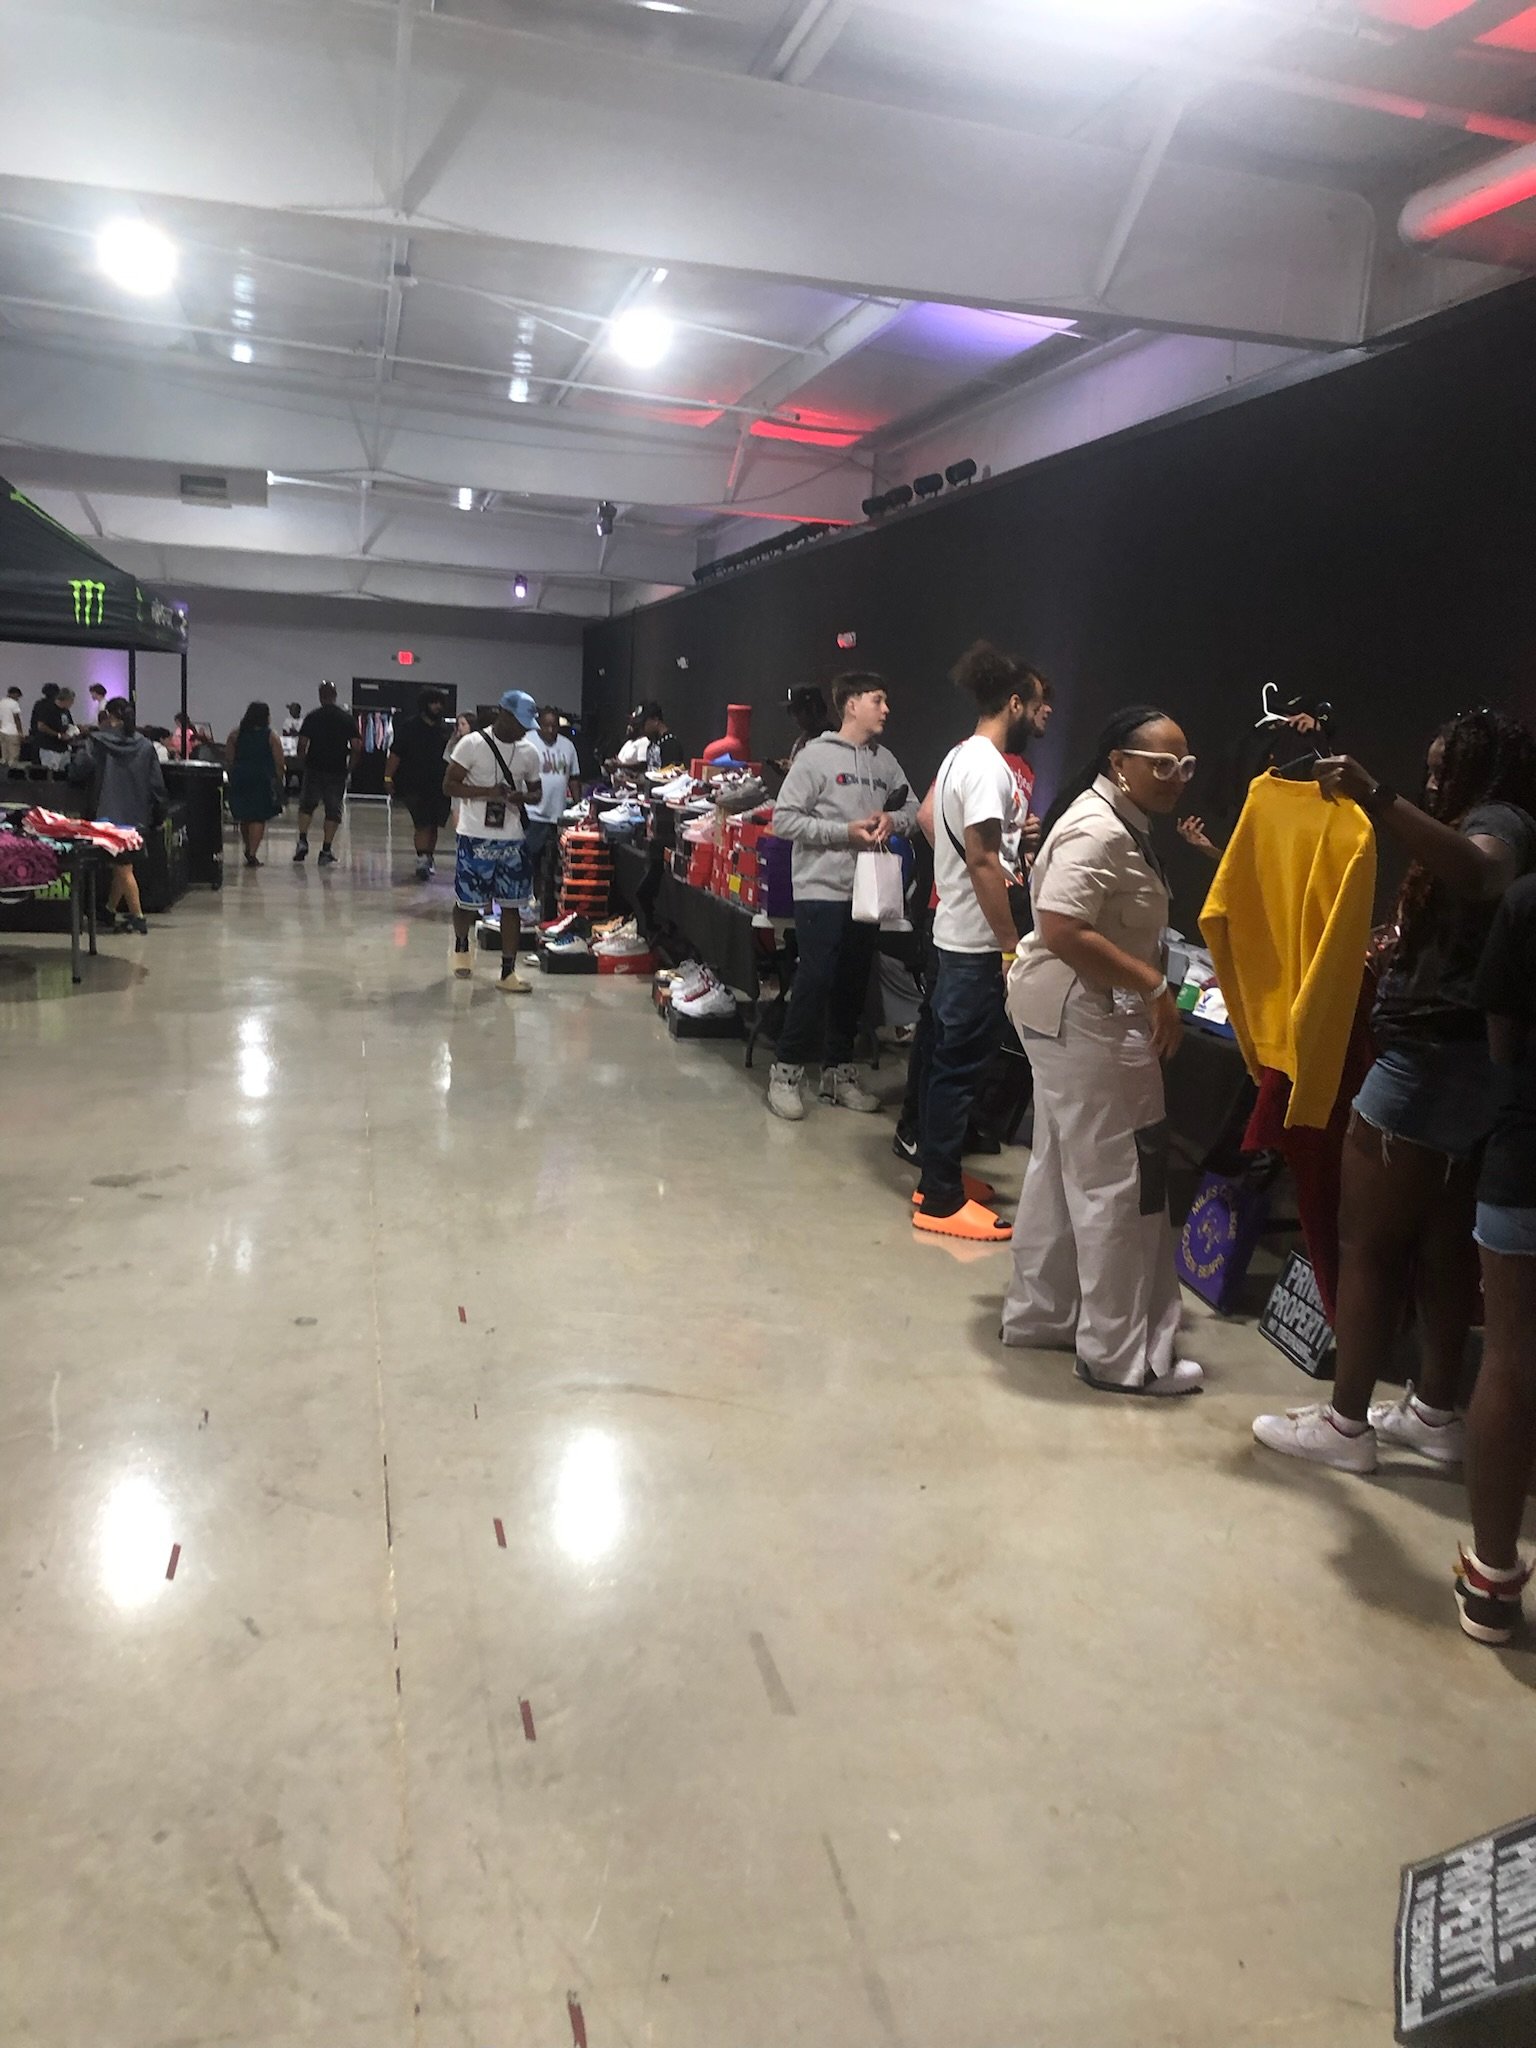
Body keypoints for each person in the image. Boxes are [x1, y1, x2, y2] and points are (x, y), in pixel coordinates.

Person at [1253, 709, 1536, 1471]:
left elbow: (1481, 870)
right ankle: (1436, 1412)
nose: (1434, 779)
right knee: (1444, 1247)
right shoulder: (1481, 820)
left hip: (1426, 1068)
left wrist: (1376, 796)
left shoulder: (1501, 821)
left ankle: (1346, 1428)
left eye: (1447, 766)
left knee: (1368, 1245)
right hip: (1464, 1067)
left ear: (1486, 769)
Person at [1001, 706, 1205, 1397]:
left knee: (1062, 1170)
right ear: (1121, 762)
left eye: (1186, 764)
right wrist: (1152, 985)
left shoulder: (1114, 821)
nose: (1177, 776)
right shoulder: (1098, 827)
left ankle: (1045, 1314)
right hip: (1085, 1016)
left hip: (1064, 1014)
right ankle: (1120, 1354)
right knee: (1121, 1180)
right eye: (1162, 763)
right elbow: (1060, 926)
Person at [912, 646, 1048, 1241]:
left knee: (947, 1061)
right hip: (973, 946)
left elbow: (925, 821)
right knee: (960, 1068)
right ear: (1014, 703)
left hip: (953, 936)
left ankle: (936, 1177)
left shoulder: (958, 757)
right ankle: (940, 1199)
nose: (1041, 719)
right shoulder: (990, 767)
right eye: (1038, 706)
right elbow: (986, 860)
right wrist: (1011, 946)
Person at [767, 672, 918, 1121]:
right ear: (851, 705)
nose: (886, 709)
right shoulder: (814, 759)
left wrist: (894, 821)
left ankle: (838, 1073)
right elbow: (784, 821)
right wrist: (843, 833)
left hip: (867, 891)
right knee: (815, 980)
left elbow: (913, 808)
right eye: (878, 700)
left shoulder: (885, 760)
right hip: (820, 890)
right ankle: (787, 1070)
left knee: (854, 982)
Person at [1454, 873, 1536, 1644]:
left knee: (1509, 1363)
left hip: (1527, 1157)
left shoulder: (1526, 899)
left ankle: (1492, 1581)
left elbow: (1503, 1037)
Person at [443, 688, 543, 991]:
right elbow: (449, 785)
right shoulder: (471, 744)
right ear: (503, 714)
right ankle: (462, 944)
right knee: (468, 903)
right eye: (520, 723)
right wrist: (487, 793)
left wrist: (521, 796)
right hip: (474, 836)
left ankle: (507, 971)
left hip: (511, 839)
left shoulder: (529, 752)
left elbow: (537, 793)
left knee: (511, 905)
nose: (525, 730)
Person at [68, 696, 167, 934]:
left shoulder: (96, 742)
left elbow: (79, 771)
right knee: (123, 864)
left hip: (105, 813)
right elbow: (157, 785)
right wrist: (158, 814)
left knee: (123, 868)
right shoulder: (145, 746)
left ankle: (137, 917)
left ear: (110, 716)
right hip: (137, 814)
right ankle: (109, 910)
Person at [386, 687, 454, 881]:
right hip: (414, 783)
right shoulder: (410, 727)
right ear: (425, 704)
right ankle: (421, 858)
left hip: (440, 785)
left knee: (434, 825)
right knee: (422, 823)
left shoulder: (445, 730)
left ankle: (429, 857)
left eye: (440, 703)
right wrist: (388, 777)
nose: (437, 706)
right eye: (433, 702)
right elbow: (395, 754)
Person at [293, 681, 361, 866]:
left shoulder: (312, 717)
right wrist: (350, 767)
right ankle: (325, 849)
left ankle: (302, 840)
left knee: (307, 806)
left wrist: (304, 762)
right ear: (335, 695)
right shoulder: (346, 719)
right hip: (337, 770)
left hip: (314, 767)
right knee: (333, 810)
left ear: (320, 695)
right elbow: (356, 746)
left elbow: (302, 744)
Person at [524, 705, 582, 919]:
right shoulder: (528, 741)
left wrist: (578, 807)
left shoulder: (567, 746)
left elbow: (574, 777)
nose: (551, 730)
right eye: (547, 726)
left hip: (557, 815)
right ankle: (525, 900)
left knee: (550, 863)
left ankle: (543, 902)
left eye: (554, 726)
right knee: (529, 859)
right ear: (539, 724)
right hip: (532, 813)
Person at [225, 700, 286, 867]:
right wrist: (278, 779)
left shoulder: (235, 734)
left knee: (244, 815)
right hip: (262, 778)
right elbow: (279, 761)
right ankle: (252, 853)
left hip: (240, 777)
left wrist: (233, 775)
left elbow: (229, 758)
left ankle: (248, 847)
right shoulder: (271, 736)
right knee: (258, 816)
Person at [31, 684, 72, 772]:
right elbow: (41, 726)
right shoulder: (46, 707)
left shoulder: (65, 711)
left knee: (63, 773)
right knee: (51, 772)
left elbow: (69, 724)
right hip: (49, 747)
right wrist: (58, 735)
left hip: (63, 748)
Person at [0, 685, 23, 768]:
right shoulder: (14, 703)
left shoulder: (1, 702)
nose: (18, 699)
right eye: (18, 696)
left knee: (4, 756)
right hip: (12, 733)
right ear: (15, 694)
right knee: (13, 756)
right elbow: (17, 719)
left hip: (2, 731)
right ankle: (12, 774)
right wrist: (20, 732)